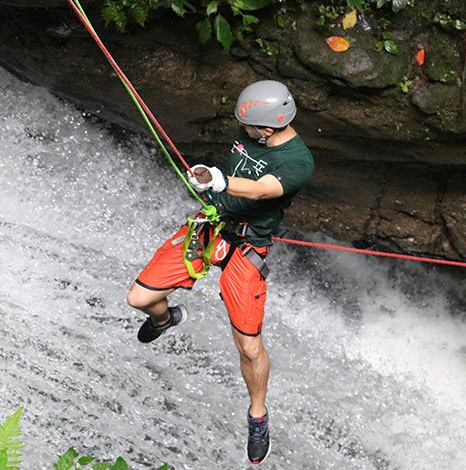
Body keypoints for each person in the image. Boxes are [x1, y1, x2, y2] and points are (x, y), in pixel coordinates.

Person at [125, 80, 314, 465]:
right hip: (211, 223)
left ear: (269, 127)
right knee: (139, 299)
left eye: (249, 128)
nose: (243, 132)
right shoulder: (251, 131)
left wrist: (223, 181)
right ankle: (165, 321)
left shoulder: (298, 162)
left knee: (248, 346)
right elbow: (232, 173)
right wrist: (209, 180)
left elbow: (262, 190)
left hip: (248, 245)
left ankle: (258, 415)